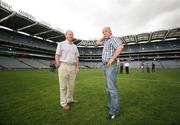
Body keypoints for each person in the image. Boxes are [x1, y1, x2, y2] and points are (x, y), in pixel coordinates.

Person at [96, 26, 124, 120]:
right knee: (107, 88)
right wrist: (104, 36)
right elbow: (97, 42)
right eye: (103, 32)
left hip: (110, 65)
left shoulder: (113, 38)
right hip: (105, 65)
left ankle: (115, 111)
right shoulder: (106, 41)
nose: (104, 33)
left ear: (110, 31)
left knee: (112, 88)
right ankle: (111, 105)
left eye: (106, 31)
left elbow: (120, 47)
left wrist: (112, 58)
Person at [55, 30, 80, 110]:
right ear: (66, 36)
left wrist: (77, 67)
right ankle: (63, 103)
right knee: (63, 86)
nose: (71, 36)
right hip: (63, 66)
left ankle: (70, 99)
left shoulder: (75, 46)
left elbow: (77, 58)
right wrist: (58, 64)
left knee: (71, 86)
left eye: (72, 35)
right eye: (69, 34)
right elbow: (57, 55)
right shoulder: (61, 44)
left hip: (72, 67)